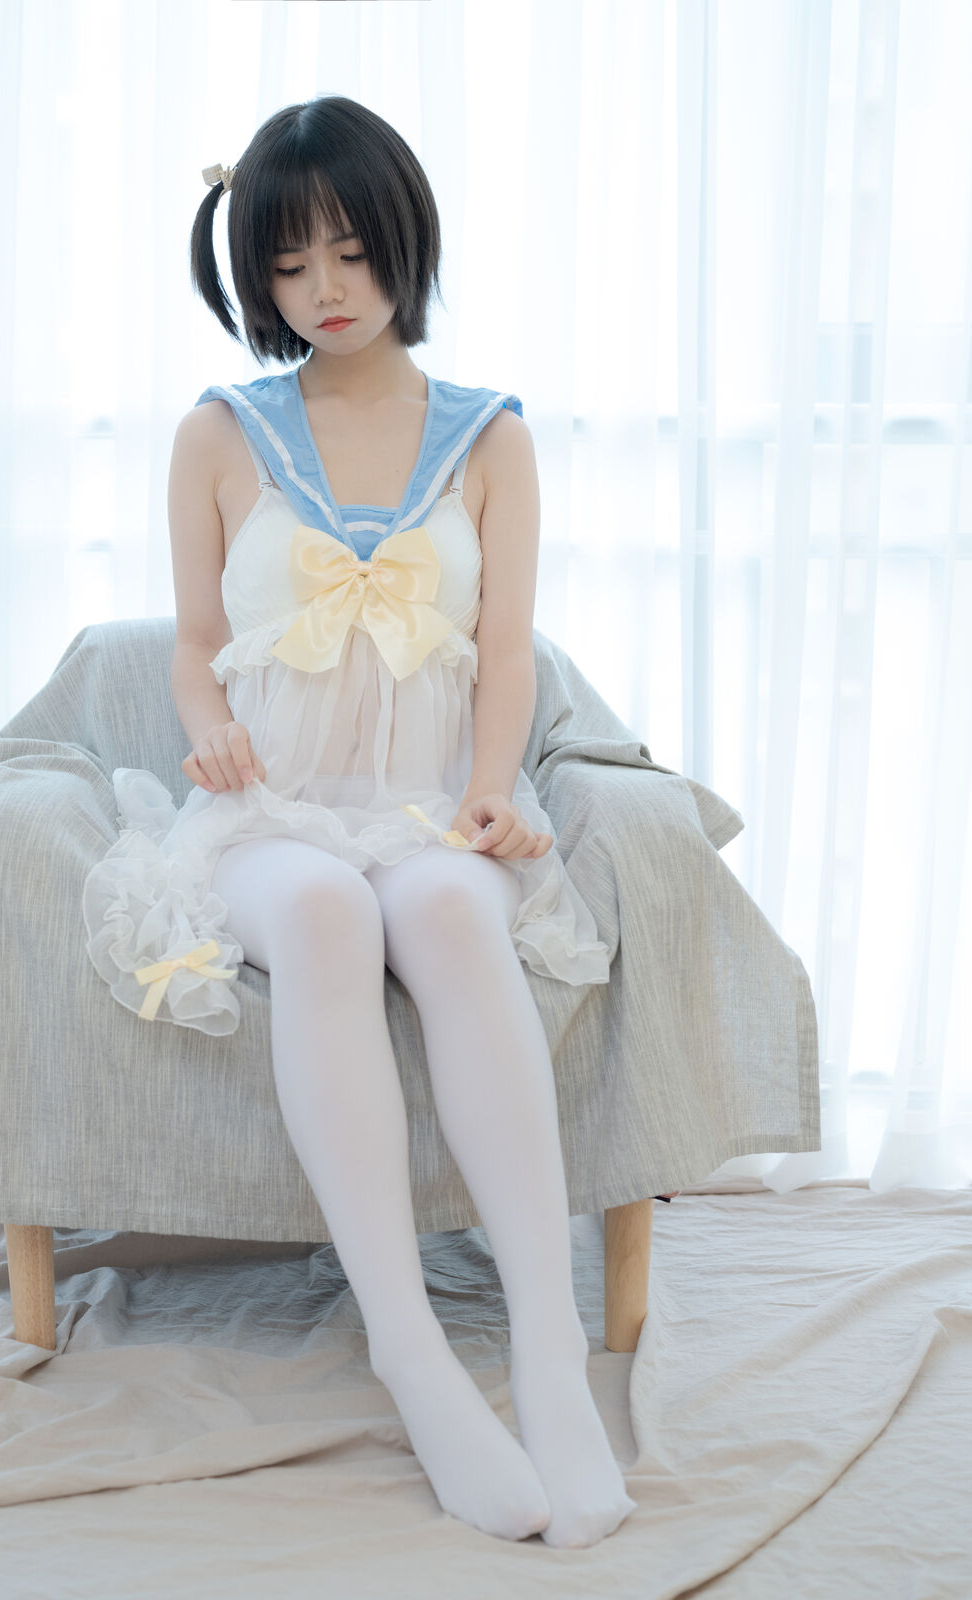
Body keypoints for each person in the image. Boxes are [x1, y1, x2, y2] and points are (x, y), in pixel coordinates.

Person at [82, 93, 640, 1548]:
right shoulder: (220, 433)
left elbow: (505, 652)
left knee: (447, 907)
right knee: (328, 912)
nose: (323, 290)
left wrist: (491, 790)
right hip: (265, 813)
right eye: (286, 265)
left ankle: (545, 1349)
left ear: (404, 240)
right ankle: (409, 1346)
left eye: (348, 251)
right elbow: (197, 642)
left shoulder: (489, 438)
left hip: (427, 804)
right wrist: (208, 728)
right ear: (252, 277)